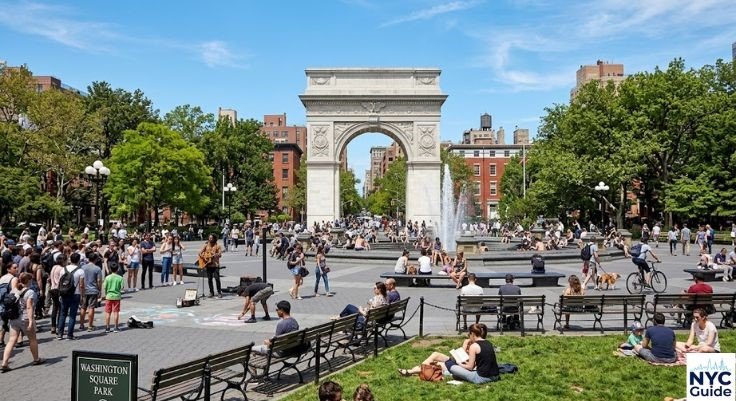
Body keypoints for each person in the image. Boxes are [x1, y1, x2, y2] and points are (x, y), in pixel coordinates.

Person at [398, 323, 499, 384]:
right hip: (494, 375)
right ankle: (417, 371)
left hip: (480, 378)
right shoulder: (488, 343)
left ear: (472, 334)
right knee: (445, 363)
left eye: (469, 334)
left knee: (449, 364)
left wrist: (458, 364)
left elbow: (470, 367)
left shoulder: (474, 346)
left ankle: (417, 371)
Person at [1, 273, 44, 371]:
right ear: (28, 281)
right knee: (32, 339)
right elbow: (29, 307)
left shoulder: (14, 290)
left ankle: (4, 363)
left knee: (11, 340)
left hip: (14, 318)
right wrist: (30, 321)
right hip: (25, 318)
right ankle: (36, 359)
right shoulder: (30, 292)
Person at [57, 253, 85, 340]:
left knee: (62, 314)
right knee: (72, 315)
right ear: (78, 260)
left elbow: (60, 282)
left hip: (64, 293)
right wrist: (82, 296)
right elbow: (81, 285)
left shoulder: (63, 269)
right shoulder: (80, 271)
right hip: (75, 294)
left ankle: (60, 334)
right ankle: (70, 335)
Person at [78, 252, 102, 332]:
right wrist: (99, 290)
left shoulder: (83, 267)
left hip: (84, 290)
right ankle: (90, 325)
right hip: (93, 290)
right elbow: (99, 280)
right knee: (91, 307)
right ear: (95, 259)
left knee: (83, 307)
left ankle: (81, 325)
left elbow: (80, 279)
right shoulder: (97, 268)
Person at [102, 264, 124, 333]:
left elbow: (104, 287)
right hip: (117, 296)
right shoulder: (120, 278)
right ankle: (116, 327)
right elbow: (122, 287)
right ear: (117, 269)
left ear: (110, 269)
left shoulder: (107, 277)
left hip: (108, 296)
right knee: (116, 312)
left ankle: (107, 327)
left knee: (108, 312)